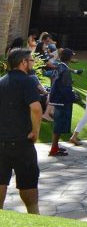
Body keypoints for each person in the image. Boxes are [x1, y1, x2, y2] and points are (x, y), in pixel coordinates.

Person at [0, 48, 42, 213]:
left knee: (1, 181)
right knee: (28, 182)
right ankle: (34, 217)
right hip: (22, 143)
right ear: (23, 62)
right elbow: (36, 109)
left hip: (1, 142)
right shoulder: (28, 81)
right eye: (31, 60)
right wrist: (35, 132)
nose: (32, 63)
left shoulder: (1, 82)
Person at [46, 49, 77, 158]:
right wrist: (73, 97)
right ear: (69, 58)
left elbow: (58, 82)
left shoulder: (59, 66)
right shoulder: (65, 69)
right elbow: (65, 88)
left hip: (57, 99)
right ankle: (54, 149)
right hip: (62, 100)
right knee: (58, 125)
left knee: (58, 124)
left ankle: (55, 146)